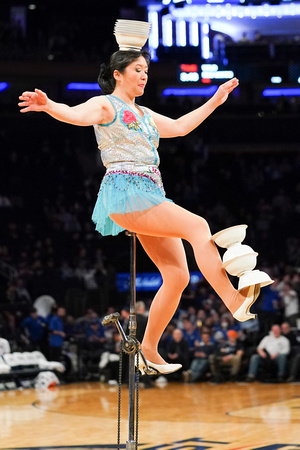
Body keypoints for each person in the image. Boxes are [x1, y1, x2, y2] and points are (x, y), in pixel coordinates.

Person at [18, 43, 269, 375]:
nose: (144, 76)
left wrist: (215, 100)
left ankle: (148, 349)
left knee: (178, 276)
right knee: (198, 227)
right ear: (118, 74)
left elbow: (179, 127)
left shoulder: (146, 115)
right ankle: (234, 301)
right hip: (126, 193)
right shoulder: (105, 104)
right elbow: (76, 115)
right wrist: (50, 106)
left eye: (147, 71)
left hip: (151, 194)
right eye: (138, 70)